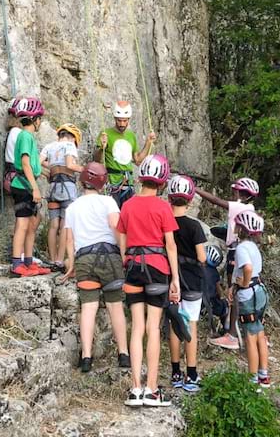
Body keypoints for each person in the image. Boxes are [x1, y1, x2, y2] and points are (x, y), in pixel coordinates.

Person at [118, 154, 180, 407]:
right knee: (154, 328)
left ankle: (135, 389)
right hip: (157, 268)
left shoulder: (128, 205)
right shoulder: (163, 207)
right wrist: (175, 278)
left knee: (137, 327)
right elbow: (171, 245)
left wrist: (127, 262)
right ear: (163, 180)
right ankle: (152, 390)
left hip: (133, 267)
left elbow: (121, 241)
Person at [61, 162, 130, 373]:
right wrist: (124, 254)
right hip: (109, 257)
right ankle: (124, 354)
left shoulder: (72, 207)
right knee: (115, 306)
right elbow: (116, 227)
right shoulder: (108, 202)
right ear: (102, 182)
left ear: (82, 180)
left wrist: (71, 264)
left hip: (84, 259)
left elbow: (69, 240)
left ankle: (86, 358)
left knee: (88, 308)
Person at [198, 177, 259, 350]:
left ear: (243, 194)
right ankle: (239, 329)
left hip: (236, 251)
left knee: (234, 291)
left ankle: (231, 334)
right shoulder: (251, 208)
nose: (233, 194)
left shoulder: (240, 206)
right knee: (240, 292)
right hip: (241, 249)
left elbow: (216, 201)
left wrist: (195, 190)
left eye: (235, 191)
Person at [167, 175, 207, 393]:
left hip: (170, 281)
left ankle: (175, 372)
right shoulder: (195, 227)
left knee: (175, 323)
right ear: (190, 200)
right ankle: (191, 374)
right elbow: (201, 257)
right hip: (191, 280)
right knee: (190, 323)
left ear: (170, 198)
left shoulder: (165, 223)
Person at [9, 97, 51, 278]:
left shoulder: (27, 137)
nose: (40, 121)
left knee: (34, 221)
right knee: (23, 223)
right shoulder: (25, 136)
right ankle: (17, 262)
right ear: (35, 119)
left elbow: (32, 164)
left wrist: (42, 172)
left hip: (26, 184)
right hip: (23, 186)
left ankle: (28, 261)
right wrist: (35, 188)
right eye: (39, 118)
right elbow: (25, 163)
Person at [231, 210, 270, 388]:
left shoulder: (241, 248)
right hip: (259, 292)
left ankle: (252, 379)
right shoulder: (254, 247)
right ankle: (263, 374)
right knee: (260, 333)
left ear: (243, 228)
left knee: (250, 336)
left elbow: (247, 268)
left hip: (249, 295)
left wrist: (244, 284)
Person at [94, 101, 157, 209]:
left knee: (129, 215)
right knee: (114, 215)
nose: (122, 124)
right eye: (119, 120)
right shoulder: (106, 133)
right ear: (114, 118)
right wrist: (101, 148)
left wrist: (148, 143)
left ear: (129, 120)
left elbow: (137, 160)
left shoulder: (131, 135)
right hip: (113, 182)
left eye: (125, 120)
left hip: (128, 182)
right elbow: (96, 160)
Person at [40, 123, 84, 271]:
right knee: (65, 225)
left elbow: (38, 163)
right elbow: (70, 164)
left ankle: (52, 260)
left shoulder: (49, 146)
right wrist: (85, 170)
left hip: (53, 188)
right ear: (73, 138)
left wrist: (50, 170)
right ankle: (59, 260)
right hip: (67, 188)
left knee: (53, 225)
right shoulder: (69, 146)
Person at [203, 244, 229, 337]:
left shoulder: (197, 269)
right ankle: (226, 330)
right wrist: (223, 298)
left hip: (197, 300)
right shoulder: (214, 273)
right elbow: (219, 291)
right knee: (225, 308)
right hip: (211, 302)